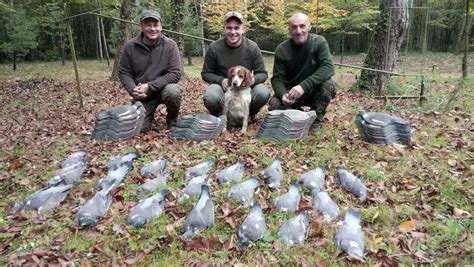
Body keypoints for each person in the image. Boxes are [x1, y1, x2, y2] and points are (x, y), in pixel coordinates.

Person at [270, 12, 337, 131]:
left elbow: (328, 67)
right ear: (289, 29)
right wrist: (282, 94)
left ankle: (316, 118)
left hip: (313, 90)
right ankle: (299, 115)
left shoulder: (319, 42)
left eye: (302, 26)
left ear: (309, 27)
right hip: (292, 93)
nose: (298, 31)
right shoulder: (281, 49)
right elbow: (277, 78)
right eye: (294, 27)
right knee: (274, 103)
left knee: (329, 84)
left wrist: (303, 86)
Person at [119, 9, 182, 131]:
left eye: (156, 25)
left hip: (163, 89)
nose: (153, 29)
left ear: (161, 26)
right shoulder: (130, 46)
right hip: (143, 95)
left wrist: (150, 86)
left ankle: (172, 119)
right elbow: (124, 72)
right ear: (141, 26)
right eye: (148, 25)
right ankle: (147, 116)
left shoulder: (170, 45)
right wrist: (133, 90)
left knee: (173, 91)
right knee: (140, 128)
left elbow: (175, 73)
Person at [201, 11, 270, 120]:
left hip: (245, 88)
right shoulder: (214, 47)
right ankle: (219, 114)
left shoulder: (252, 47)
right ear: (224, 29)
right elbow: (206, 73)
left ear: (243, 29)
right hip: (224, 87)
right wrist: (221, 80)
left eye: (237, 28)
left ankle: (249, 114)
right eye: (229, 28)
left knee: (263, 92)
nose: (233, 32)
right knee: (211, 97)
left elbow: (263, 73)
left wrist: (252, 80)